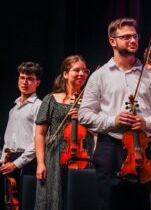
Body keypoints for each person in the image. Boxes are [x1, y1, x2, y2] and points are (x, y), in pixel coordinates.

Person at [78, 18, 151, 209]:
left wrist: (146, 123)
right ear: (112, 41)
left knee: (140, 204)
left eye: (135, 36)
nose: (133, 40)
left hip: (142, 150)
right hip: (110, 149)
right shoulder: (99, 76)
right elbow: (84, 114)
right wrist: (112, 121)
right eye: (126, 37)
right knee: (108, 204)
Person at [35, 55, 92, 209]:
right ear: (65, 74)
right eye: (76, 70)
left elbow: (96, 129)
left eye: (85, 71)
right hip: (55, 155)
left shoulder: (90, 101)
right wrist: (40, 163)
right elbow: (40, 134)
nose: (82, 74)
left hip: (82, 155)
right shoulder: (51, 99)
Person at [0, 61, 42, 208]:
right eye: (22, 78)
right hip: (9, 160)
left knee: (25, 204)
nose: (25, 82)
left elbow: (38, 141)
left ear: (37, 82)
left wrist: (16, 164)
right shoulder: (13, 109)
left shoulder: (39, 106)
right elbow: (7, 140)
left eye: (30, 79)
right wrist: (3, 161)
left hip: (27, 162)